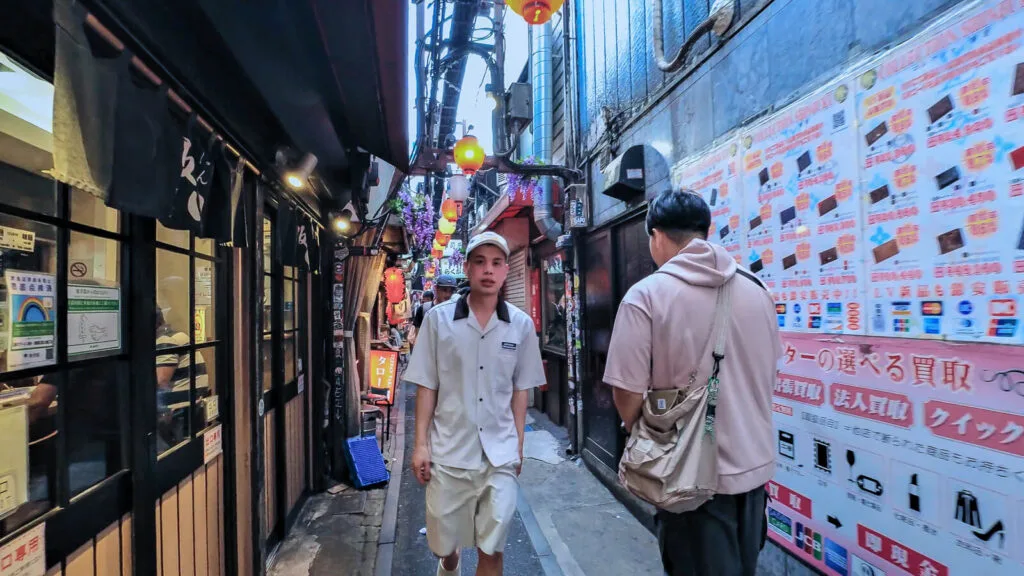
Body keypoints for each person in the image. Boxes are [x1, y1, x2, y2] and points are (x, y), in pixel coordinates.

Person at [602, 189, 781, 576]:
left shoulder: (646, 296)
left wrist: (647, 433)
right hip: (753, 479)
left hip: (685, 481)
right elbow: (769, 375)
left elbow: (626, 392)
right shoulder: (757, 290)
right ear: (705, 231)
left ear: (656, 235)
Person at [404, 231, 546, 576]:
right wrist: (420, 445)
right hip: (449, 451)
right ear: (467, 268)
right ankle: (449, 563)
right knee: (444, 542)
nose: (488, 270)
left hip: (499, 454)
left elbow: (520, 390)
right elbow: (427, 385)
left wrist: (519, 446)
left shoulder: (521, 326)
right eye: (480, 262)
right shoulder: (438, 320)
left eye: (497, 263)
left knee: (492, 547)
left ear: (505, 270)